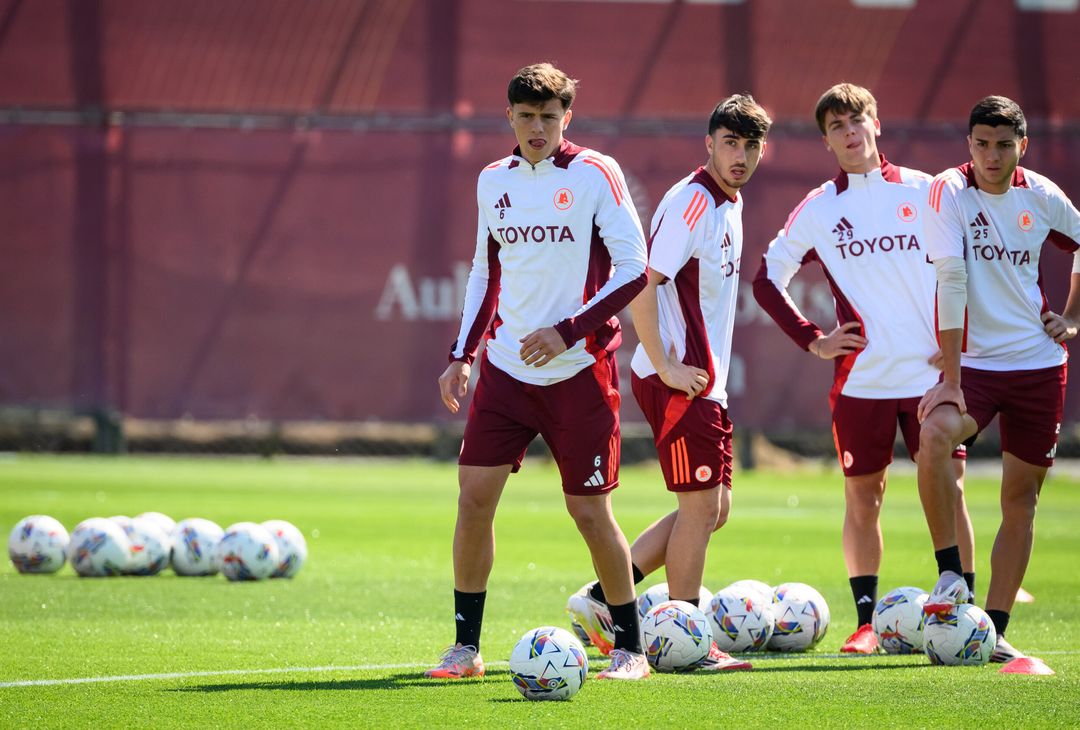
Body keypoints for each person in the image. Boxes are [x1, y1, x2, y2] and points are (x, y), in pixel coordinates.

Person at [427, 63, 651, 681]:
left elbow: (636, 269)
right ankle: (466, 649)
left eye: (549, 116)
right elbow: (485, 273)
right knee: (473, 502)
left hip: (580, 370)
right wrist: (462, 355)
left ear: (566, 118)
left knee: (589, 513)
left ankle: (631, 650)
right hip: (504, 373)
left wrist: (565, 333)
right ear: (510, 117)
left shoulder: (594, 173)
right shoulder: (492, 179)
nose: (536, 127)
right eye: (525, 116)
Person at [751, 83, 975, 654]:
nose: (850, 133)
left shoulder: (929, 191)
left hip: (931, 377)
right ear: (827, 140)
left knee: (950, 488)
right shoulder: (822, 207)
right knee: (862, 499)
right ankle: (868, 622)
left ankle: (967, 615)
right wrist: (813, 341)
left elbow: (967, 269)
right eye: (836, 127)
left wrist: (958, 347)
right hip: (863, 382)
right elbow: (765, 277)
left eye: (857, 121)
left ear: (876, 123)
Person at [567, 94, 770, 671]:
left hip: (703, 384)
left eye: (751, 145)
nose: (741, 155)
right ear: (709, 143)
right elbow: (644, 286)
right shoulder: (693, 202)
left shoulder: (729, 202)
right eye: (730, 142)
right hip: (680, 382)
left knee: (714, 508)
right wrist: (667, 366)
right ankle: (684, 639)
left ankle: (605, 596)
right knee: (701, 508)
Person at [917, 95, 1080, 669]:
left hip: (1038, 365)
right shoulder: (946, 192)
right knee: (934, 437)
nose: (992, 155)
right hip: (976, 368)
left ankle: (996, 629)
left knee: (1021, 501)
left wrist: (1073, 314)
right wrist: (954, 378)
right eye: (982, 144)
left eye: (1004, 145)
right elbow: (952, 278)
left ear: (1022, 147)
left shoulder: (1041, 195)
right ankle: (949, 577)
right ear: (969, 145)